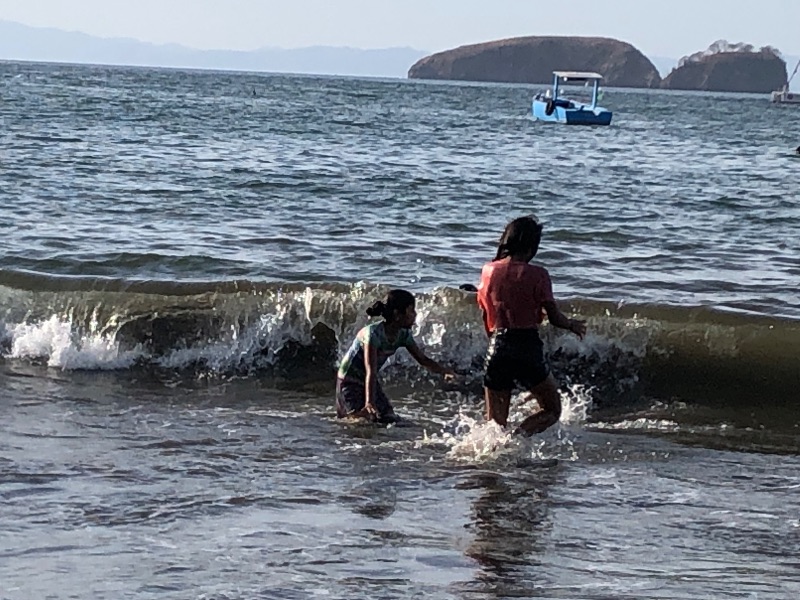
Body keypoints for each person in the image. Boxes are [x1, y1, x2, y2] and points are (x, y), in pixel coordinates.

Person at [476, 215, 586, 436]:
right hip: (527, 347)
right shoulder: (539, 275)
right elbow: (555, 318)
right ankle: (517, 438)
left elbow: (485, 315)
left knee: (494, 425)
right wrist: (572, 325)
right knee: (552, 409)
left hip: (497, 346)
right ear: (532, 246)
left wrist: (494, 342)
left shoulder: (488, 270)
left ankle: (493, 459)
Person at [336, 289, 455, 423]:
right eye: (411, 311)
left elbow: (423, 360)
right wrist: (369, 402)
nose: (415, 315)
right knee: (358, 421)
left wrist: (444, 371)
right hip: (349, 379)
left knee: (388, 418)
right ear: (397, 314)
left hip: (367, 380)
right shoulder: (373, 334)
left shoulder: (403, 335)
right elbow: (371, 370)